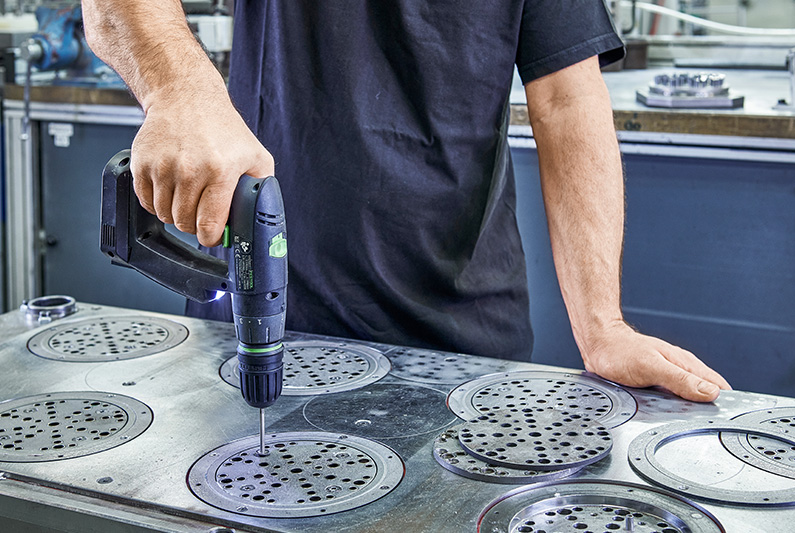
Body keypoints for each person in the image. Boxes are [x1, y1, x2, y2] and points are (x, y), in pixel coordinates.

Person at [82, 0, 730, 402]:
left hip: (464, 343)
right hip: (263, 333)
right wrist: (181, 93)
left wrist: (603, 328)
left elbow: (568, 98)